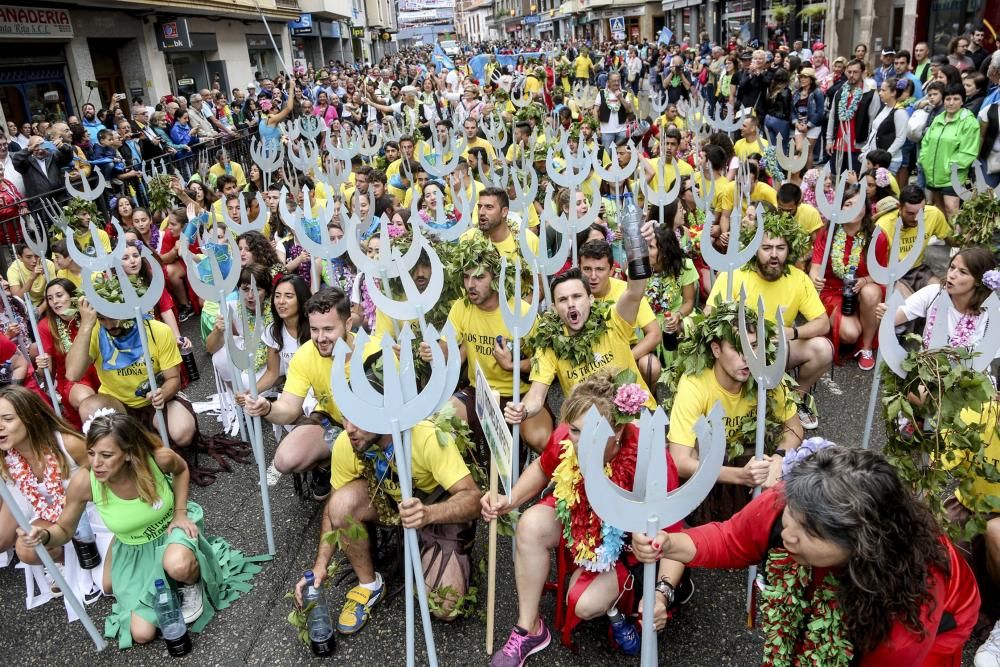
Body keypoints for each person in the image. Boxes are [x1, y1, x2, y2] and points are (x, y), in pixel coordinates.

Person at [633, 444, 979, 665]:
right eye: (790, 518)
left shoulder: (906, 615)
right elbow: (731, 539)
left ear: (860, 545)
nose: (788, 536)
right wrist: (669, 543)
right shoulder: (795, 500)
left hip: (943, 624)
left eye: (809, 532)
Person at [485, 372, 689, 666]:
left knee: (583, 604)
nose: (579, 441)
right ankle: (529, 628)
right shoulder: (569, 434)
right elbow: (544, 468)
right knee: (529, 525)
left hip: (626, 546)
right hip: (577, 510)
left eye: (592, 433)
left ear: (617, 432)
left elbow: (674, 535)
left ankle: (625, 598)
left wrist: (662, 593)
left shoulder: (649, 456)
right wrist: (510, 500)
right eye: (575, 431)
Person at [16, 411, 267, 648]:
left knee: (178, 564)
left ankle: (191, 582)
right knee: (142, 634)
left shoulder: (157, 459)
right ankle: (166, 586)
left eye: (106, 455)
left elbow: (181, 470)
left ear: (127, 453)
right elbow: (65, 530)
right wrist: (45, 536)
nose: (96, 463)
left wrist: (180, 513)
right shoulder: (85, 481)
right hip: (134, 551)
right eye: (91, 453)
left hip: (171, 531)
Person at [290, 358, 480, 634]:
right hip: (389, 503)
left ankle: (439, 552)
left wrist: (429, 514)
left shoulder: (425, 437)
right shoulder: (348, 442)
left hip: (434, 504)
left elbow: (472, 498)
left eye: (361, 418)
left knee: (445, 607)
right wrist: (319, 567)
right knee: (341, 503)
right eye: (346, 415)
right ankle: (369, 584)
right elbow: (332, 511)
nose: (349, 427)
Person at [665, 301, 802, 524]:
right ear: (716, 349)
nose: (747, 357)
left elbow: (794, 427)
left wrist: (779, 458)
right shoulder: (694, 384)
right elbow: (680, 461)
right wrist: (740, 476)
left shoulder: (765, 376)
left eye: (754, 346)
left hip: (754, 462)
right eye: (738, 349)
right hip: (714, 468)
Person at [706, 210, 832, 430]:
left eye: (780, 248)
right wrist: (739, 336)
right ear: (755, 250)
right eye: (766, 248)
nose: (774, 255)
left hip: (779, 348)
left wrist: (790, 333)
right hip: (741, 350)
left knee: (823, 348)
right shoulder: (734, 274)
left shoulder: (798, 278)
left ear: (789, 250)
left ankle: (795, 399)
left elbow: (823, 322)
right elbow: (709, 314)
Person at [437, 236, 552, 454]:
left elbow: (544, 364)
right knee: (441, 422)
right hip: (479, 392)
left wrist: (513, 365)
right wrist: (430, 351)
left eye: (479, 277)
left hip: (520, 394)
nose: (471, 284)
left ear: (496, 278)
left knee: (542, 440)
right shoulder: (461, 308)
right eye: (466, 277)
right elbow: (445, 350)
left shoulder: (521, 312)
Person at [243, 288, 357, 499]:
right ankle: (326, 464)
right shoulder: (305, 353)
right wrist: (266, 408)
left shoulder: (374, 351)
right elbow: (288, 408)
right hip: (332, 421)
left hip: (371, 430)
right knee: (285, 459)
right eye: (314, 330)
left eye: (329, 329)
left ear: (348, 325)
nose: (320, 338)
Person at [0, 386, 108, 604]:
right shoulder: (7, 458)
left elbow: (109, 478)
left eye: (7, 418)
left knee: (110, 584)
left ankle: (99, 558)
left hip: (94, 518)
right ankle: (72, 563)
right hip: (53, 520)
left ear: (32, 417)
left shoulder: (68, 444)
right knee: (25, 547)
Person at [808, 184, 887, 369]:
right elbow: (815, 267)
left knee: (871, 292)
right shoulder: (828, 232)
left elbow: (884, 273)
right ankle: (842, 324)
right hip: (833, 290)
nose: (854, 209)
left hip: (863, 290)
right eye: (848, 204)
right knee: (850, 334)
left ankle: (866, 348)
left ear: (866, 208)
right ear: (840, 208)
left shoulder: (877, 236)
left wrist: (865, 280)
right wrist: (814, 278)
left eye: (859, 204)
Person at [877, 247, 998, 356]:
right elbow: (896, 316)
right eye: (952, 267)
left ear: (978, 281)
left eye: (963, 272)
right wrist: (887, 313)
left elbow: (988, 356)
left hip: (970, 377)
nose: (952, 275)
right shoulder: (934, 293)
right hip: (929, 371)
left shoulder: (992, 313)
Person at [579, 240, 662, 389]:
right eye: (587, 269)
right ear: (579, 269)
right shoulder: (574, 295)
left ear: (611, 270)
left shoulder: (628, 291)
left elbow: (654, 334)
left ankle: (645, 402)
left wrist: (625, 358)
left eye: (599, 269)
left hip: (627, 350)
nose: (593, 276)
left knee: (651, 365)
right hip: (588, 357)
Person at [35, 279, 100, 428]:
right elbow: (47, 373)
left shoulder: (90, 314)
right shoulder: (45, 326)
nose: (54, 302)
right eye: (50, 298)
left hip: (102, 370)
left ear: (72, 296)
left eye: (59, 295)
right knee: (86, 400)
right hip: (73, 380)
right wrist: (41, 366)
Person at [918, 83, 981, 221]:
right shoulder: (938, 119)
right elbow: (926, 142)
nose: (951, 102)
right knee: (938, 208)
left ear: (963, 101)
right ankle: (945, 237)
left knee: (952, 208)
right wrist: (924, 161)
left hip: (953, 176)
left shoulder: (969, 122)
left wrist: (949, 167)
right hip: (933, 173)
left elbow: (968, 152)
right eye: (948, 99)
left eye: (956, 99)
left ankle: (957, 240)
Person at [880, 185, 953, 298]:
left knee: (942, 295)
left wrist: (969, 234)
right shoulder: (883, 225)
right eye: (910, 213)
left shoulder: (934, 214)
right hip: (891, 273)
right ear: (899, 207)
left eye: (920, 212)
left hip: (917, 269)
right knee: (909, 306)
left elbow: (952, 241)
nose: (916, 218)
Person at [826, 59, 880, 174]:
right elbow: (832, 117)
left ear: (863, 73)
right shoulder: (840, 92)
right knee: (837, 180)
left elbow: (873, 122)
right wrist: (829, 140)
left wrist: (868, 147)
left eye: (855, 72)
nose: (851, 75)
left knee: (855, 184)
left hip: (858, 147)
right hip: (838, 145)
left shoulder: (870, 94)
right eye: (849, 72)